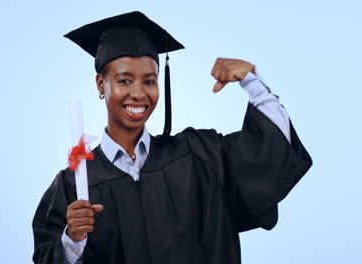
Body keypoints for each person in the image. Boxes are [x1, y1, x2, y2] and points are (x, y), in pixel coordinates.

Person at [32, 11, 312, 264]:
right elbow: (47, 258)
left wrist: (252, 82)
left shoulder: (200, 156)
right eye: (124, 80)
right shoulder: (73, 185)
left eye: (150, 81)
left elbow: (270, 157)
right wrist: (73, 240)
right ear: (101, 84)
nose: (139, 93)